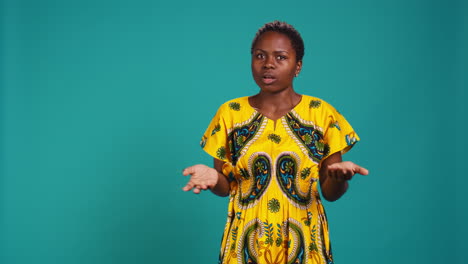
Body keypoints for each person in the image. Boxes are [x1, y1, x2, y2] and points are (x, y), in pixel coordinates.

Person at [182, 21, 369, 264]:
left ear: (297, 66)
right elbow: (226, 187)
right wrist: (213, 177)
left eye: (280, 57)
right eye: (260, 56)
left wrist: (339, 179)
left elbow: (330, 194)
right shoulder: (229, 113)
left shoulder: (322, 114)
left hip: (306, 244)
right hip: (244, 245)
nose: (268, 64)